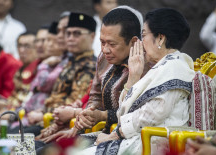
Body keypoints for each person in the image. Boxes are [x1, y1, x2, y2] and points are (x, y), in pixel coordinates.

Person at [76, 8, 195, 155]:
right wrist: (133, 76)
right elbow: (123, 113)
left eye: (143, 35)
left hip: (150, 143)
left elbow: (151, 116)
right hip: (133, 138)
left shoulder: (175, 68)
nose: (140, 41)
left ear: (160, 38)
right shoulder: (161, 67)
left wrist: (114, 136)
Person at [36, 6, 145, 144]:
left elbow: (138, 113)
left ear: (134, 42)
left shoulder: (145, 67)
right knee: (40, 146)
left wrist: (100, 116)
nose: (105, 50)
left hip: (127, 138)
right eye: (102, 42)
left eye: (112, 44)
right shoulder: (104, 59)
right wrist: (78, 125)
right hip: (100, 132)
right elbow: (95, 96)